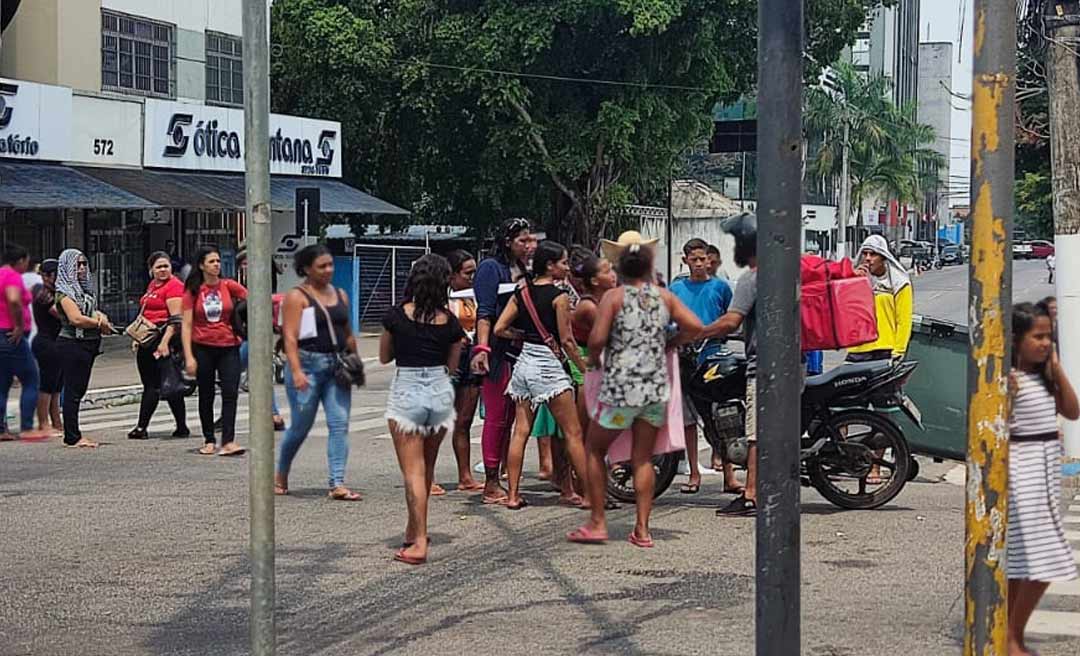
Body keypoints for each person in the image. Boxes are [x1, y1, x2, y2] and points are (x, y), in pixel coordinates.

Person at [569, 236, 702, 546]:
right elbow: (694, 326)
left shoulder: (614, 298)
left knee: (594, 448)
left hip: (621, 391)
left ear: (620, 269)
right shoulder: (664, 297)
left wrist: (593, 359)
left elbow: (598, 338)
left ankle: (598, 522)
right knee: (643, 459)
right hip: (654, 389)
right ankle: (642, 529)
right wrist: (670, 343)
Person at [381, 254, 466, 565]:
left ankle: (418, 543)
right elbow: (453, 367)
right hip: (440, 391)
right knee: (426, 469)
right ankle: (413, 529)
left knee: (412, 471)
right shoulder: (451, 322)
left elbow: (383, 357)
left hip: (407, 390)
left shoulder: (396, 316)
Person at [493, 240, 590, 510]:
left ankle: (512, 495)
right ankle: (589, 495)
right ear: (550, 265)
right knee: (573, 434)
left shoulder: (521, 292)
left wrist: (523, 336)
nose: (567, 268)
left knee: (520, 432)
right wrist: (584, 370)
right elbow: (568, 341)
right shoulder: (559, 298)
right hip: (549, 368)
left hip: (524, 365)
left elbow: (500, 328)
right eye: (563, 263)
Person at [1006, 302, 1079, 655]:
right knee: (1032, 560)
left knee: (1032, 562)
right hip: (1022, 473)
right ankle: (1009, 635)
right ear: (1016, 340)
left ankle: (1010, 633)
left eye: (1048, 337)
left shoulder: (1043, 378)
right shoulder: (1010, 381)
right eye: (1037, 337)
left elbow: (1072, 410)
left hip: (1044, 473)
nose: (1045, 343)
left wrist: (1056, 367)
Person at [275, 244, 360, 501]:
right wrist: (297, 371)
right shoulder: (297, 296)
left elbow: (347, 332)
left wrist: (354, 359)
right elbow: (289, 337)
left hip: (336, 365)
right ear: (307, 269)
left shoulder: (340, 295)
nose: (328, 270)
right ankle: (281, 473)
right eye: (322, 266)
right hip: (307, 364)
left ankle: (337, 482)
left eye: (330, 264)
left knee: (339, 423)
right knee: (300, 427)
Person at [471, 218, 534, 504]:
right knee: (497, 418)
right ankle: (491, 482)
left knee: (512, 418)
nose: (528, 245)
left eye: (529, 239)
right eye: (522, 240)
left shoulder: (523, 270)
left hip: (520, 349)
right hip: (498, 351)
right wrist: (482, 348)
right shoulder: (490, 269)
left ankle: (504, 477)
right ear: (508, 241)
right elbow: (484, 312)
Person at [699, 213, 759, 516]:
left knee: (755, 434)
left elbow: (731, 320)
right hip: (792, 364)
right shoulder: (785, 272)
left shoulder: (752, 278)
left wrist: (699, 332)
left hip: (764, 369)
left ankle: (750, 494)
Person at [669, 237, 737, 495]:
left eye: (703, 259)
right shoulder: (676, 289)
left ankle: (728, 474)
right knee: (688, 419)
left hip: (714, 356)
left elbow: (732, 317)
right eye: (694, 260)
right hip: (685, 360)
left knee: (720, 418)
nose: (699, 264)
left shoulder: (721, 287)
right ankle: (694, 472)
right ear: (685, 260)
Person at [181, 246, 247, 456]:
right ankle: (209, 439)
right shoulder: (193, 290)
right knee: (206, 394)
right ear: (201, 265)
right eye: (211, 261)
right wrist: (189, 356)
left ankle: (228, 440)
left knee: (230, 392)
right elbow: (187, 325)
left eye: (218, 261)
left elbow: (255, 300)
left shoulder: (228, 286)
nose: (216, 265)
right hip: (203, 347)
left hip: (229, 345)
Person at [433, 250, 484, 494]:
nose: (472, 277)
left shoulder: (473, 296)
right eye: (468, 273)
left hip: (472, 356)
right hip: (449, 359)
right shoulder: (441, 299)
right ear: (452, 275)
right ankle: (427, 477)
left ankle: (465, 476)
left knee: (464, 420)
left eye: (474, 272)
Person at [54, 249, 113, 448]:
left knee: (79, 389)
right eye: (76, 265)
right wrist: (99, 324)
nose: (80, 269)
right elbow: (76, 319)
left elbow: (92, 310)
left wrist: (101, 317)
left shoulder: (85, 290)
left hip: (88, 344)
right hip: (72, 344)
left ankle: (73, 432)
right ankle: (72, 435)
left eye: (83, 264)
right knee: (72, 390)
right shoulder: (64, 293)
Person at [128, 252, 189, 440]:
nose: (163, 270)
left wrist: (164, 343)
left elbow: (175, 319)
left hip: (164, 339)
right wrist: (138, 338)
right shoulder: (153, 285)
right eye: (159, 267)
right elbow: (145, 312)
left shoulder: (174, 287)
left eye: (166, 266)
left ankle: (141, 427)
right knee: (164, 384)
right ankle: (181, 427)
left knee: (159, 384)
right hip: (148, 339)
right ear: (151, 270)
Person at [0, 244, 45, 441]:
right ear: (20, 261)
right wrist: (18, 325)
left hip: (2, 334)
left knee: (3, 383)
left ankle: (2, 429)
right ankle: (27, 426)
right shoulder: (11, 276)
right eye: (26, 261)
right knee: (31, 378)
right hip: (12, 335)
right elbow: (14, 300)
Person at [850, 235, 913, 363]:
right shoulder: (855, 281)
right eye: (865, 253)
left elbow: (903, 321)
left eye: (873, 254)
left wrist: (898, 351)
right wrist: (854, 280)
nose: (868, 258)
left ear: (883, 257)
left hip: (884, 350)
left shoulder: (899, 283)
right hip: (857, 349)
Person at [30, 259, 63, 435]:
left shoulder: (55, 291)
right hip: (46, 342)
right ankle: (43, 423)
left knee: (57, 386)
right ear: (47, 276)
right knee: (47, 385)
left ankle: (57, 421)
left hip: (57, 341)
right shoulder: (42, 292)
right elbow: (59, 313)